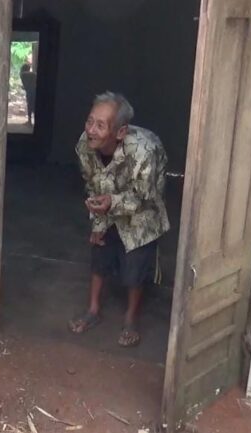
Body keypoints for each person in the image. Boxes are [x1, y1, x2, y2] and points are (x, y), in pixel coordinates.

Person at [67, 91, 169, 347]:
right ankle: (93, 311)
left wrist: (112, 202)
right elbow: (92, 184)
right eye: (90, 121)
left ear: (120, 132)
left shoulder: (145, 150)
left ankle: (131, 319)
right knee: (99, 254)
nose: (91, 130)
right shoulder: (84, 144)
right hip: (107, 206)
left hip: (143, 211)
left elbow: (146, 196)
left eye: (100, 125)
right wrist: (97, 220)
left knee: (134, 267)